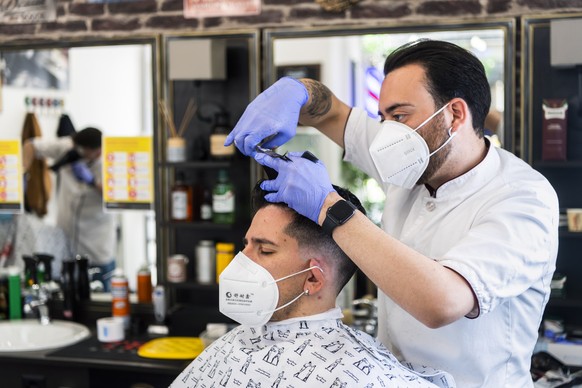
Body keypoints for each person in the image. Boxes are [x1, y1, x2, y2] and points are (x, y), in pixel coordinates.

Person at [225, 39, 560, 387]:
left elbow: (441, 302)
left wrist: (329, 207)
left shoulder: (522, 197)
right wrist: (296, 91)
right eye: (384, 118)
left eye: (400, 116)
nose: (388, 133)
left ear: (455, 114)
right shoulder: (409, 159)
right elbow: (331, 112)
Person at [170, 182, 455, 388]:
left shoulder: (357, 374)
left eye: (264, 250)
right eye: (246, 246)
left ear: (314, 278)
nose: (240, 263)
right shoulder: (234, 344)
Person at [23, 127, 116, 291]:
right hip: (66, 243)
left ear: (97, 151)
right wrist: (22, 173)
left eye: (83, 150)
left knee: (99, 296)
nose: (77, 151)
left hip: (97, 246)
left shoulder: (111, 159)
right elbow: (30, 146)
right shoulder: (68, 146)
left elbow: (116, 194)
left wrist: (93, 182)